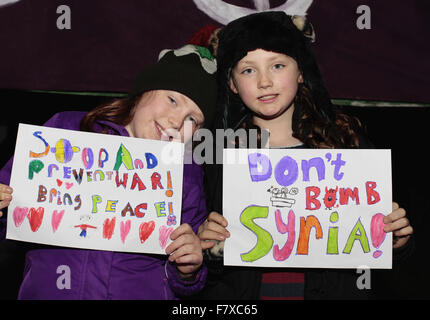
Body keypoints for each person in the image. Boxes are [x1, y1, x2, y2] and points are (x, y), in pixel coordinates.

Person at [196, 11, 414, 300]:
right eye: (248, 70)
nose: (264, 81)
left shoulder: (345, 145)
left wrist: (396, 241)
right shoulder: (216, 154)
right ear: (233, 84)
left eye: (277, 65)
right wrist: (205, 243)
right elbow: (198, 261)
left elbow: (373, 243)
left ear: (300, 71)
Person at [0, 44, 217, 299]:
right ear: (144, 90)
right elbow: (12, 223)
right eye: (172, 100)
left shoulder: (187, 174)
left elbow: (182, 279)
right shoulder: (68, 130)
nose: (177, 122)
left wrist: (189, 269)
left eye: (193, 119)